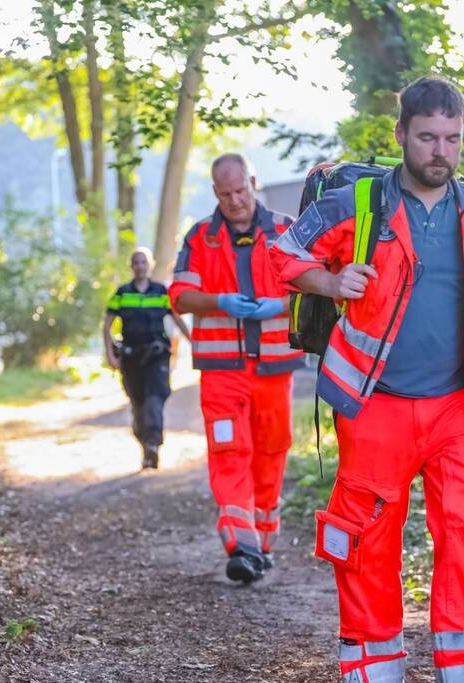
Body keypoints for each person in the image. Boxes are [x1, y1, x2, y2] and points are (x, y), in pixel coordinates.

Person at [268, 76, 464, 682]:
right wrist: (329, 282)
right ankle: (374, 670)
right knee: (365, 542)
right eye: (427, 137)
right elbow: (283, 253)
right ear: (402, 136)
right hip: (374, 407)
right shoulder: (357, 205)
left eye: (451, 138)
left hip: (456, 409)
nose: (440, 151)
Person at [168, 153, 304, 584]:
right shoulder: (200, 239)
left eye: (241, 191)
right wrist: (221, 300)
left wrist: (279, 304)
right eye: (225, 194)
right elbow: (181, 297)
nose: (235, 201)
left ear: (253, 182)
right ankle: (240, 543)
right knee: (229, 451)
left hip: (274, 366)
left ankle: (262, 543)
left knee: (271, 450)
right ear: (215, 192)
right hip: (222, 368)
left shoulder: (286, 231)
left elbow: (316, 288)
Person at [104, 247, 191, 469]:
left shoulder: (161, 292)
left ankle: (152, 445)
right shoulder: (122, 293)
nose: (140, 266)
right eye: (136, 262)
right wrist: (110, 355)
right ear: (131, 266)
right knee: (138, 403)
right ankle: (144, 441)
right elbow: (107, 326)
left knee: (155, 398)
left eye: (144, 262)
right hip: (131, 358)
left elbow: (178, 319)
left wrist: (195, 343)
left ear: (149, 265)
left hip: (157, 356)